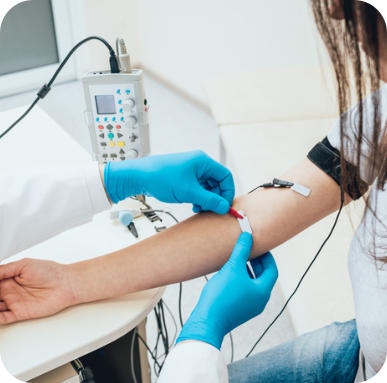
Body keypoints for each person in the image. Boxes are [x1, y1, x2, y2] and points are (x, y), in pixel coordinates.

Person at [0, 0, 386, 381]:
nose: (336, 12)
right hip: (361, 348)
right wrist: (72, 280)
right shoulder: (379, 112)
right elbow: (257, 218)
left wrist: (204, 332)